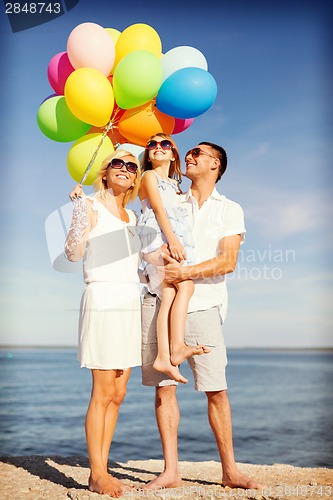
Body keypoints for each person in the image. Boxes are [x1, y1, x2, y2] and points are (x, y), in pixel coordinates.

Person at [141, 142, 264, 491]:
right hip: (157, 297)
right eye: (189, 151)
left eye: (199, 153)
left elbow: (227, 261)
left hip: (204, 304)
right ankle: (171, 471)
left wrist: (185, 273)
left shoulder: (230, 209)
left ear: (216, 165)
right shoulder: (169, 196)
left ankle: (230, 471)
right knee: (164, 389)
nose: (189, 155)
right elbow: (144, 242)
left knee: (216, 390)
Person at [65, 149, 142, 497]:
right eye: (117, 163)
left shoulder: (134, 217)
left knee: (120, 392)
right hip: (103, 298)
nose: (124, 168)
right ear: (106, 171)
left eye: (131, 165)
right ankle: (96, 474)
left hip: (130, 300)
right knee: (103, 391)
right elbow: (73, 254)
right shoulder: (90, 205)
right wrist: (78, 213)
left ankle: (103, 467)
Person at [138, 134, 207, 385]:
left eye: (165, 144)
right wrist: (173, 241)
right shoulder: (148, 176)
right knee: (185, 285)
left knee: (168, 293)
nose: (158, 147)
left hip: (167, 238)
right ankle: (177, 347)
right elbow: (158, 210)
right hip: (158, 238)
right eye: (152, 144)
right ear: (147, 153)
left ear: (173, 153)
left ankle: (163, 358)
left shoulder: (174, 185)